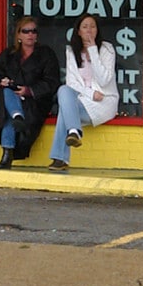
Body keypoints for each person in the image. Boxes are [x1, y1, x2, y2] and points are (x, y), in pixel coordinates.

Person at [50, 13, 119, 172]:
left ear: (97, 30)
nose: (89, 30)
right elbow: (72, 83)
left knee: (64, 112)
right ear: (78, 31)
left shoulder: (107, 49)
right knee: (64, 89)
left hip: (103, 102)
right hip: (84, 99)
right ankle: (74, 131)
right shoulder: (71, 51)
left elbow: (104, 80)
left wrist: (93, 49)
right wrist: (90, 93)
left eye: (93, 26)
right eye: (85, 27)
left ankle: (60, 157)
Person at [0, 16, 60, 168]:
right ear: (18, 35)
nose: (30, 34)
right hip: (11, 96)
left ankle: (7, 155)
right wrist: (2, 81)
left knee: (9, 113)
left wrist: (29, 90)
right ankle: (17, 117)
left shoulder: (46, 54)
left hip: (35, 100)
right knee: (6, 94)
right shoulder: (8, 55)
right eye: (26, 31)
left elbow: (52, 81)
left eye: (33, 31)